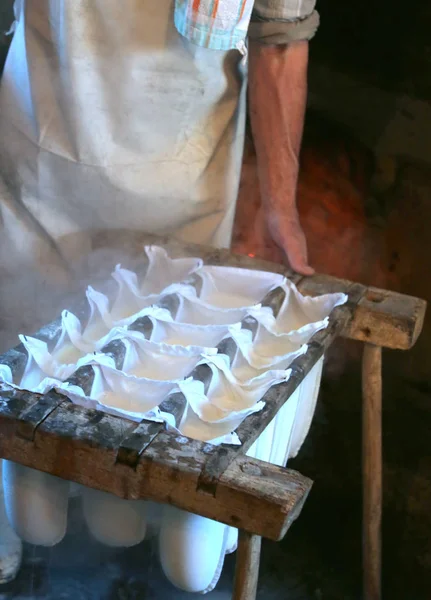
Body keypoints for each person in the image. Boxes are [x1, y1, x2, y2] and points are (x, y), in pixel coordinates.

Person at [0, 0, 319, 585]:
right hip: (44, 142)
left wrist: (280, 206)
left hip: (181, 173)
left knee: (150, 453)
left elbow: (279, 32)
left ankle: (132, 552)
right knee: (22, 367)